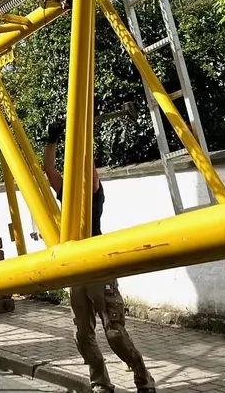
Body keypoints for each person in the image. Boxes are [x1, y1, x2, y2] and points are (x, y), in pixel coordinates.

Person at [43, 119, 156, 393]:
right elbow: (48, 169)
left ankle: (143, 377)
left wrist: (80, 135)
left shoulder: (94, 192)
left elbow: (89, 171)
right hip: (76, 269)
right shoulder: (65, 193)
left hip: (99, 266)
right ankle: (101, 383)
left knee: (114, 332)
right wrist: (52, 140)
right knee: (83, 334)